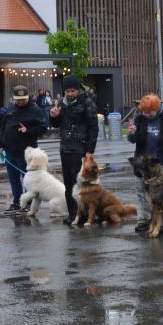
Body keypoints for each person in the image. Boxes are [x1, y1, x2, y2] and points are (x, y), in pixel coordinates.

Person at [128, 94, 163, 233]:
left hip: (160, 167)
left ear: (157, 108)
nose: (147, 114)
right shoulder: (139, 119)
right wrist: (132, 133)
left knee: (162, 197)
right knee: (141, 193)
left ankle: (162, 222)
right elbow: (132, 140)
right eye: (144, 111)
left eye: (150, 111)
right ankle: (143, 220)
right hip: (142, 165)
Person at [50, 74, 99, 226]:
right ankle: (72, 214)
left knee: (81, 184)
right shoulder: (62, 104)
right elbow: (56, 124)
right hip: (65, 148)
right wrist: (53, 116)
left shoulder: (86, 102)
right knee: (68, 185)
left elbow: (93, 128)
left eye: (73, 91)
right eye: (67, 91)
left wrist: (90, 150)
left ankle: (83, 214)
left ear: (78, 90)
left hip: (80, 148)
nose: (70, 94)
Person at [0, 85, 46, 214]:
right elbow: (2, 127)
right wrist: (0, 144)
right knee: (14, 179)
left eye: (23, 99)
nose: (20, 102)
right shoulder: (10, 110)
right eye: (18, 100)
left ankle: (28, 203)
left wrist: (28, 130)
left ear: (27, 97)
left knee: (28, 180)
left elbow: (43, 128)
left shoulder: (35, 110)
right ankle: (16, 202)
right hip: (10, 151)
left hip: (27, 153)